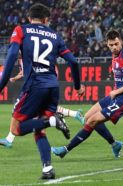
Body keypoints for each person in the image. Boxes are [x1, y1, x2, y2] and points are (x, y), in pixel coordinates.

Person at [0, 3, 85, 179]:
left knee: (16, 129)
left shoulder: (21, 30)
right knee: (39, 129)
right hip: (52, 86)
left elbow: (10, 57)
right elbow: (74, 62)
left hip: (34, 86)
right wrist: (77, 86)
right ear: (46, 20)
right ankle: (48, 169)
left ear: (29, 18)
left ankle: (53, 121)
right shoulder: (55, 35)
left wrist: (1, 85)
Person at [0, 55, 123, 159]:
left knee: (29, 112)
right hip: (44, 82)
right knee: (41, 110)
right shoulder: (26, 55)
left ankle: (57, 130)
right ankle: (76, 117)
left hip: (41, 83)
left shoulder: (29, 51)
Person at [51, 29, 123, 159]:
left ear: (121, 41)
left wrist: (117, 91)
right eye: (111, 45)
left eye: (116, 44)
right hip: (116, 96)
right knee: (87, 117)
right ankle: (115, 144)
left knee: (92, 121)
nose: (114, 47)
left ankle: (66, 149)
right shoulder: (117, 56)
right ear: (107, 44)